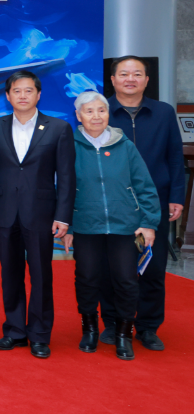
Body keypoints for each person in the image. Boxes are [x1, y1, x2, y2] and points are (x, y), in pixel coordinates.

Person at [64, 91, 160, 361]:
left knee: (126, 280)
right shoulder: (68, 146)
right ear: (78, 116)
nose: (96, 116)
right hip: (85, 224)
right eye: (89, 111)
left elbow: (145, 186)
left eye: (101, 110)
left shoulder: (124, 145)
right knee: (86, 278)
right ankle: (90, 330)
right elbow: (62, 189)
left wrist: (148, 223)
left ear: (108, 113)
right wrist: (67, 226)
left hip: (125, 225)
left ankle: (123, 334)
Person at [0, 70, 75, 359]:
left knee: (40, 275)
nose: (22, 95)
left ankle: (39, 335)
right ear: (7, 96)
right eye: (17, 91)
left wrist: (63, 216)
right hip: (5, 212)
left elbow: (66, 176)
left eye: (28, 90)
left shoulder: (58, 128)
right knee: (10, 274)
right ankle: (14, 331)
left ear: (38, 94)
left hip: (41, 213)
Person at [101, 55, 184, 351]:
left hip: (155, 202)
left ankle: (148, 327)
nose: (130, 79)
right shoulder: (100, 111)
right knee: (111, 267)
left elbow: (175, 156)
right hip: (112, 202)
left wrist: (176, 196)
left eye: (137, 74)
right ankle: (113, 323)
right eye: (124, 74)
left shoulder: (163, 112)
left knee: (153, 266)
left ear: (147, 80)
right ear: (113, 80)